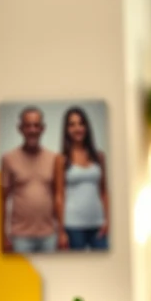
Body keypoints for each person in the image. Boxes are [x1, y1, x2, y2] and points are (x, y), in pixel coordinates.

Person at [0, 106, 61, 253]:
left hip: (49, 235)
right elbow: (2, 199)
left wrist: (61, 232)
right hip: (20, 236)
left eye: (36, 125)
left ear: (43, 128)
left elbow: (59, 196)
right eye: (28, 126)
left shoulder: (54, 159)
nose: (32, 130)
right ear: (20, 129)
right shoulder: (8, 159)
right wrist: (2, 235)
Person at [55, 106, 109, 250]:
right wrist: (61, 231)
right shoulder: (61, 160)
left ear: (86, 126)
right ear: (66, 130)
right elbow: (59, 196)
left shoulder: (99, 157)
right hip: (73, 226)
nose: (77, 128)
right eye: (72, 124)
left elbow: (104, 191)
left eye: (81, 123)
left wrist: (108, 220)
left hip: (98, 224)